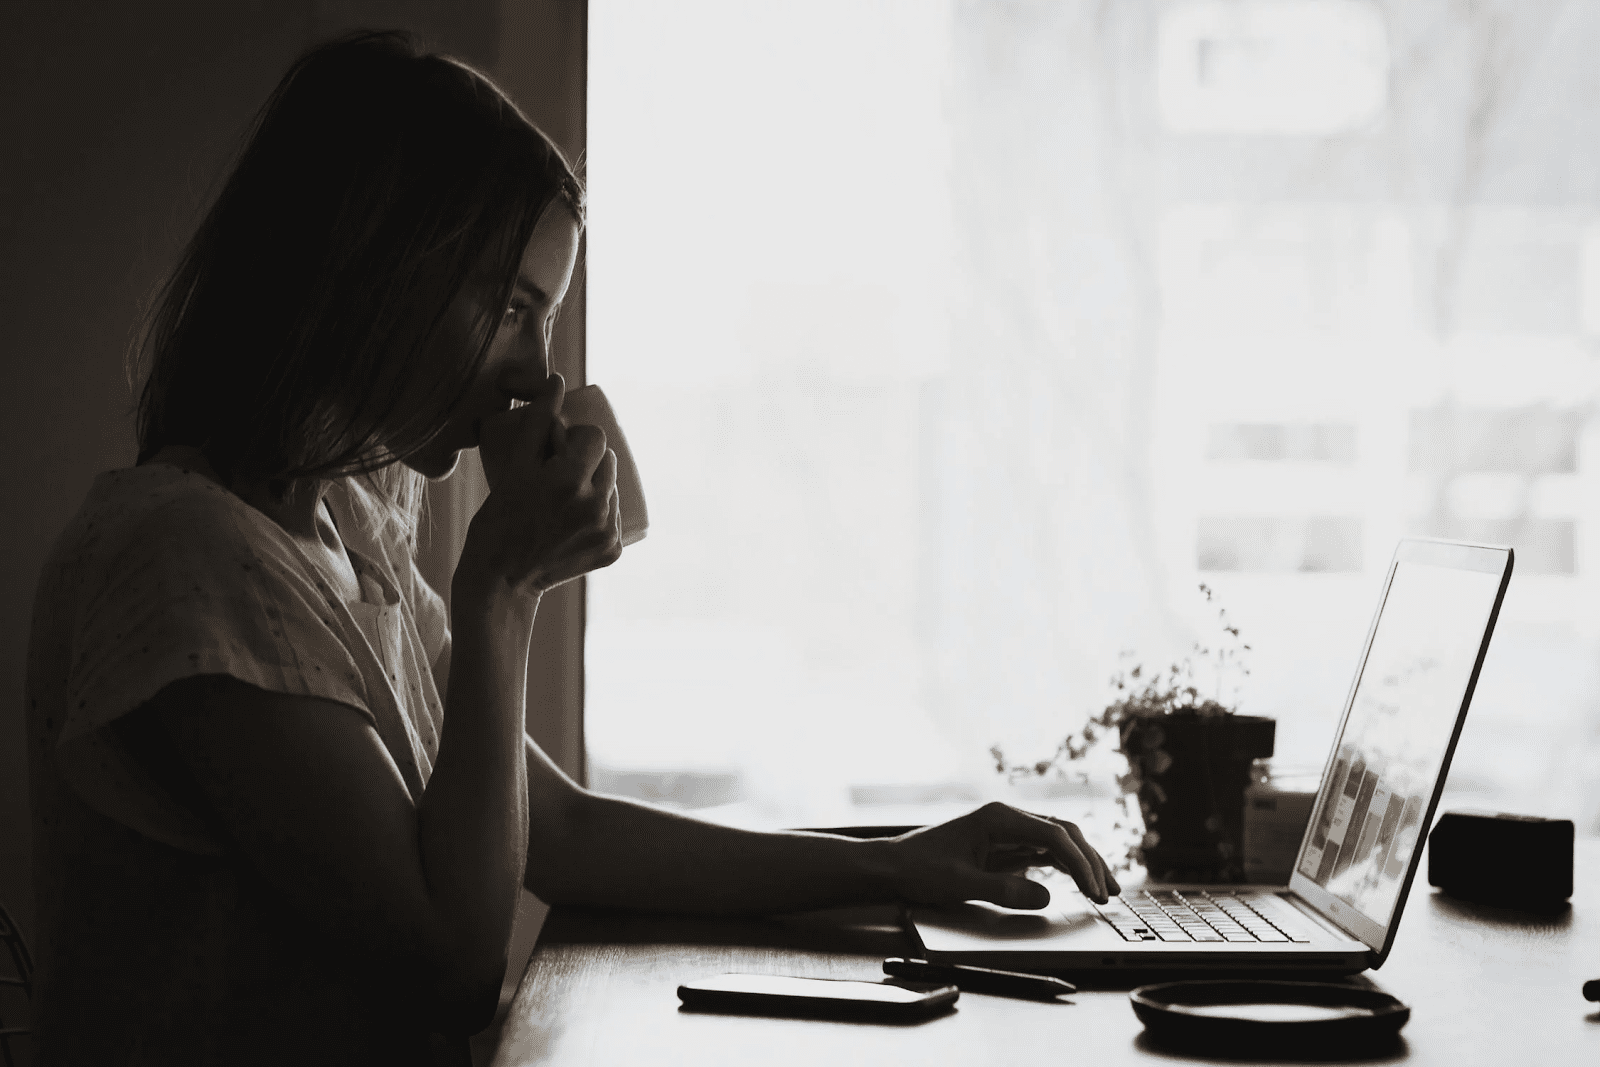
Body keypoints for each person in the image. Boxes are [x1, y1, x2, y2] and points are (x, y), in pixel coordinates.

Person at [23, 29, 1118, 1066]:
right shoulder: (187, 557)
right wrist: (502, 582)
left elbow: (555, 826)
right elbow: (449, 957)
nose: (539, 372)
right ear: (371, 274)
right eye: (510, 305)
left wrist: (900, 862)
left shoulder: (344, 530)